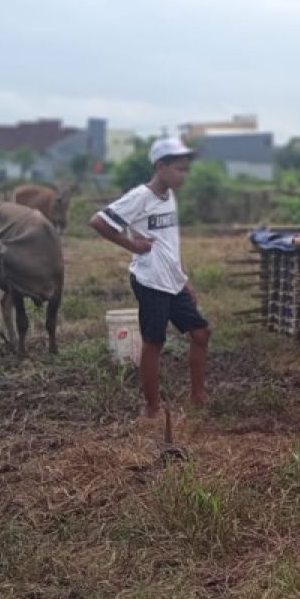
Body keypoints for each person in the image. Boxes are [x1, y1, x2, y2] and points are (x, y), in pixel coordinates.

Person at [89, 137, 212, 422]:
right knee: (154, 343)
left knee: (201, 334)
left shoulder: (169, 196)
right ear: (160, 166)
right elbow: (98, 222)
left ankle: (198, 395)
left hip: (172, 280)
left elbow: (170, 242)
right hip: (150, 281)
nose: (184, 175)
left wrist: (184, 279)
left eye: (186, 169)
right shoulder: (139, 198)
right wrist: (132, 245)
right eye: (179, 169)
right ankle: (152, 408)